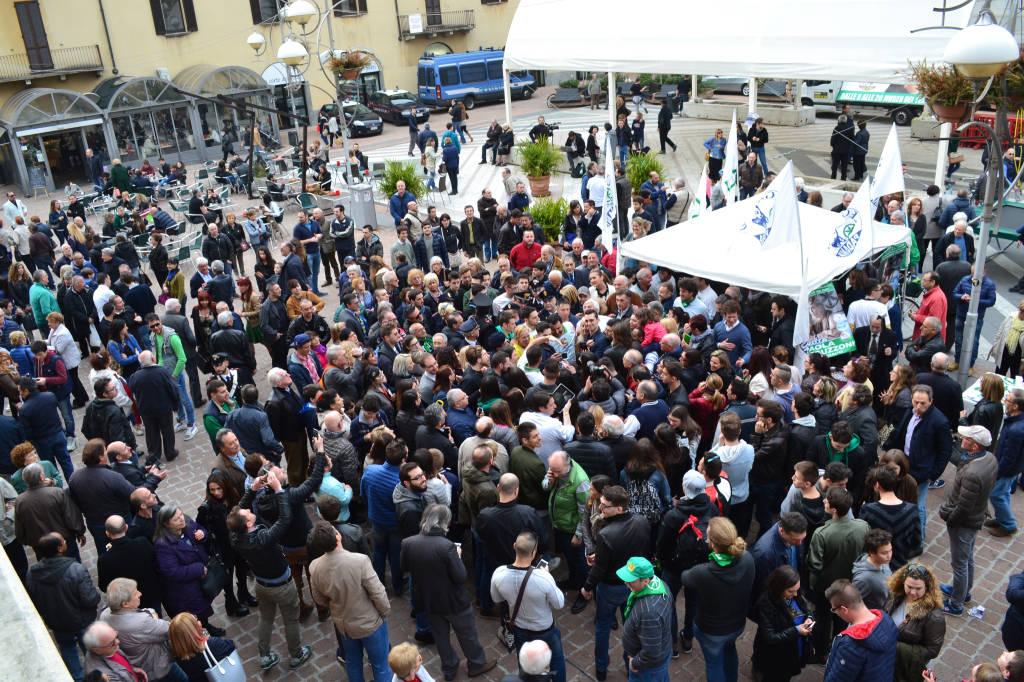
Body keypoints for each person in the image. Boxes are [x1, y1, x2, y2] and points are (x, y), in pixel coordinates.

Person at [226, 466, 315, 672]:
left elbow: (237, 513)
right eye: (248, 513)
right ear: (249, 524)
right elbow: (284, 519)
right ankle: (296, 654)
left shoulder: (235, 537)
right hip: (282, 585)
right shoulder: (263, 538)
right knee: (291, 620)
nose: (250, 510)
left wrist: (252, 490)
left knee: (265, 619)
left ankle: (265, 656)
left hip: (262, 585)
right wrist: (278, 490)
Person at [402, 504, 497, 680]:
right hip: (453, 601)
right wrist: (458, 557)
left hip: (429, 601)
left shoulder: (408, 543)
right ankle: (476, 663)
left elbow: (406, 567)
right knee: (467, 635)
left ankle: (449, 668)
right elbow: (460, 576)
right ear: (445, 523)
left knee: (441, 638)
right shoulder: (447, 546)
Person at [580, 484, 652, 679]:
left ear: (619, 508)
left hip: (611, 587)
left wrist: (587, 587)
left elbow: (600, 569)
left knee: (602, 626)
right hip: (635, 584)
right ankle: (630, 664)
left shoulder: (606, 534)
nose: (600, 508)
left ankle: (601, 668)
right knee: (631, 628)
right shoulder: (642, 522)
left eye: (605, 506)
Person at [308, 520, 392, 682]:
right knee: (381, 666)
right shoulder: (360, 561)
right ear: (337, 536)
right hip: (370, 624)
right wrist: (384, 612)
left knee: (353, 662)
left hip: (344, 626)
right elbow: (378, 592)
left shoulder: (315, 567)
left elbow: (319, 598)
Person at [680, 517, 754, 682]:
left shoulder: (703, 573)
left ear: (713, 545)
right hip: (737, 624)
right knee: (730, 650)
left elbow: (685, 577)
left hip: (711, 631)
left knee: (714, 664)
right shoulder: (748, 558)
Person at [489, 530, 566, 682]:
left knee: (526, 665)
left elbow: (496, 598)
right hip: (545, 630)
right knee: (556, 660)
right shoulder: (543, 578)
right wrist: (548, 575)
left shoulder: (499, 574)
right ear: (534, 552)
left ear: (514, 546)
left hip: (519, 629)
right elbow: (559, 603)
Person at [938, 425, 997, 614]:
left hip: (965, 523)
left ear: (975, 446)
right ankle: (963, 592)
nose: (961, 438)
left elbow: (963, 507)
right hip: (976, 517)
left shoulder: (972, 473)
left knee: (960, 564)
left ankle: (956, 604)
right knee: (967, 558)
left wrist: (950, 519)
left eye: (966, 438)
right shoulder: (989, 458)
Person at [25, 531, 100, 679]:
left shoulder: (32, 574)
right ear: (59, 548)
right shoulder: (76, 569)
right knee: (93, 654)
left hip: (58, 624)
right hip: (81, 620)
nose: (66, 541)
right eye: (63, 541)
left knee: (67, 650)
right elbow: (90, 598)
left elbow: (35, 603)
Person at [883, 384, 952, 541]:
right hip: (903, 463)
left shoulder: (939, 422)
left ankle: (918, 540)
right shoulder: (910, 411)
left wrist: (933, 474)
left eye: (923, 403)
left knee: (917, 504)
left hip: (921, 470)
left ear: (931, 401)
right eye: (916, 402)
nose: (918, 406)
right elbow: (901, 433)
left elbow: (945, 451)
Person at [98, 578, 185, 682]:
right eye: (135, 593)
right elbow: (172, 629)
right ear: (125, 604)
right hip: (159, 669)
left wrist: (150, 614)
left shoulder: (105, 615)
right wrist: (153, 615)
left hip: (137, 668)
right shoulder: (141, 622)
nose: (140, 593)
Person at [68, 438, 135, 555]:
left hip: (95, 524)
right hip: (119, 522)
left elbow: (76, 503)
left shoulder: (74, 478)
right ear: (100, 457)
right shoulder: (113, 477)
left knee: (104, 552)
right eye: (105, 451)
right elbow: (133, 494)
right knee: (128, 551)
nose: (107, 453)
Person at [823, 580, 899, 681]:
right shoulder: (887, 621)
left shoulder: (849, 645)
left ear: (844, 609)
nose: (835, 612)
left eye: (834, 609)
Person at [884, 563, 946, 682]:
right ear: (903, 583)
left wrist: (895, 647)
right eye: (909, 587)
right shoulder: (895, 594)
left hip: (907, 668)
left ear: (927, 587)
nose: (913, 592)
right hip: (886, 659)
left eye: (918, 589)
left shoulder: (934, 616)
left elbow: (932, 650)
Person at [751, 565, 813, 682]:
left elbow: (806, 608)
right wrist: (796, 630)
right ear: (779, 587)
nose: (796, 594)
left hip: (794, 648)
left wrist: (809, 618)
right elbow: (770, 637)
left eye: (797, 590)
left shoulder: (795, 593)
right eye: (791, 591)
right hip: (777, 656)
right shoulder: (765, 604)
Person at [617, 555, 673, 682]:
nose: (625, 582)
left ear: (646, 581)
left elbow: (651, 651)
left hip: (648, 670)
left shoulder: (649, 613)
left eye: (631, 580)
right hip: (661, 655)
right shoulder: (659, 584)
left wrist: (635, 663)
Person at [97, 515, 163, 614]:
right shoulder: (143, 543)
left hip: (128, 602)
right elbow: (156, 564)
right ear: (126, 527)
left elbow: (104, 586)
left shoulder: (104, 560)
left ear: (107, 533)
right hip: (151, 594)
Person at [859, 466, 921, 570]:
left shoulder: (868, 510)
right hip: (900, 566)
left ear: (877, 485)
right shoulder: (912, 510)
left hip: (875, 566)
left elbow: (862, 540)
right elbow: (916, 543)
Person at [129, 351, 181, 463]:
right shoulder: (162, 372)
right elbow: (173, 389)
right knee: (167, 431)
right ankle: (170, 452)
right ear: (153, 359)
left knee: (151, 432)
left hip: (146, 410)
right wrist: (175, 405)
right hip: (164, 408)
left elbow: (132, 389)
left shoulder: (135, 376)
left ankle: (154, 454)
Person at [168, 611, 237, 682]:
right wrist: (206, 637)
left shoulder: (177, 656)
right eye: (196, 620)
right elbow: (231, 645)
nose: (199, 622)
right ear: (194, 630)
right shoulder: (212, 644)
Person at [851, 529, 894, 610]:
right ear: (872, 553)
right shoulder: (863, 578)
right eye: (884, 553)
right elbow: (852, 603)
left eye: (890, 550)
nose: (889, 556)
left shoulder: (883, 561)